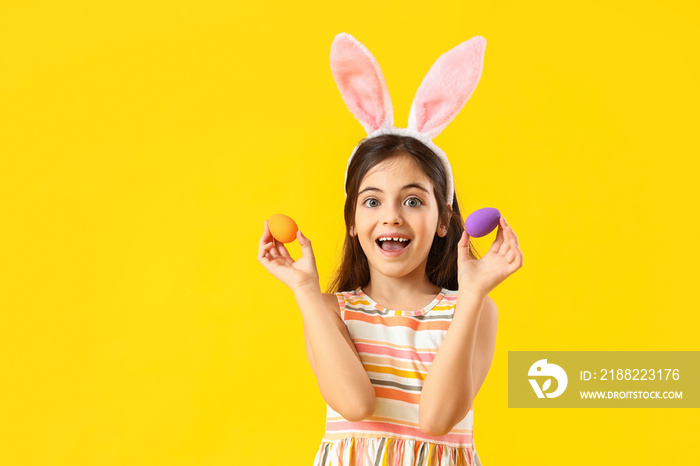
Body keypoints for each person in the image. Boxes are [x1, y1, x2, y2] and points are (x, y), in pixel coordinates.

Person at [257, 33, 523, 465]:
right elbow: (355, 405)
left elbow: (436, 419)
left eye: (414, 200)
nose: (392, 216)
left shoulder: (474, 310)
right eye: (372, 200)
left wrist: (473, 294)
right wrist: (304, 290)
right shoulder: (328, 310)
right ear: (353, 223)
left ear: (443, 220)